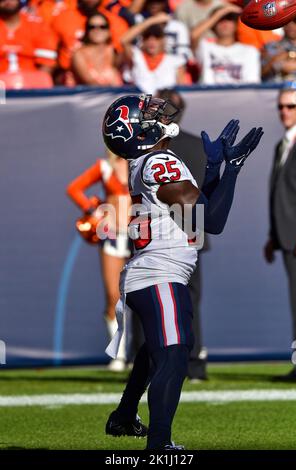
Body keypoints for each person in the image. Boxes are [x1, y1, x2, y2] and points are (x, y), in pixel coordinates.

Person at [102, 93, 263, 449]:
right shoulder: (159, 160)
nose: (157, 112)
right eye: (147, 113)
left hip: (153, 271)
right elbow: (211, 220)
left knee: (159, 348)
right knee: (175, 354)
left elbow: (195, 210)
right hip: (160, 272)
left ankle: (125, 417)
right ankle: (159, 447)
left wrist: (214, 170)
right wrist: (233, 169)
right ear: (137, 131)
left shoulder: (148, 161)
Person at [156, 88, 209, 380]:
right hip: (191, 230)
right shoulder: (197, 146)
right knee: (188, 300)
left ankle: (155, 362)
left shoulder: (148, 148)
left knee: (151, 296)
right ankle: (194, 362)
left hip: (159, 232)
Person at [67, 151, 131, 371]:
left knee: (141, 295)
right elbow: (74, 188)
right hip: (112, 236)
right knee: (114, 296)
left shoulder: (140, 162)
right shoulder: (104, 167)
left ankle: (142, 351)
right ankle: (119, 355)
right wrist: (93, 211)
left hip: (137, 236)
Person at [264, 87, 296, 382]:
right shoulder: (283, 144)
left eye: (290, 106)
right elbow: (280, 193)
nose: (284, 112)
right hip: (287, 236)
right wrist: (273, 235)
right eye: (281, 107)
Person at [193, 6, 261, 85]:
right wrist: (221, 12)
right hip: (209, 95)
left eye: (229, 19)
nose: (224, 23)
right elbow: (194, 35)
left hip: (240, 96)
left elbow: (252, 84)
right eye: (220, 20)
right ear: (213, 25)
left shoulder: (250, 51)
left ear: (236, 25)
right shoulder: (205, 47)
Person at [120, 13, 186, 93]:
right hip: (139, 104)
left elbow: (182, 92)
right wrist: (152, 21)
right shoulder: (136, 57)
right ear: (143, 41)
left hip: (166, 104)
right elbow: (124, 41)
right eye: (147, 37)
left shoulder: (176, 62)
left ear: (163, 40)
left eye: (157, 37)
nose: (151, 41)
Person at [0, 0, 57, 75]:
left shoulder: (38, 25)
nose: (8, 1)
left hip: (32, 81)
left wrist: (36, 83)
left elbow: (47, 63)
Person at [72, 12, 122, 86]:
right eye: (92, 27)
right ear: (87, 31)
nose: (97, 30)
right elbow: (89, 82)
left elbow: (126, 42)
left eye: (103, 27)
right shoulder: (79, 54)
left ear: (109, 31)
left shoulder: (113, 52)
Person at [262, 14, 296, 82]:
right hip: (274, 89)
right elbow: (259, 73)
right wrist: (274, 61)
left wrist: (289, 56)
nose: (290, 25)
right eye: (286, 21)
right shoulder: (270, 46)